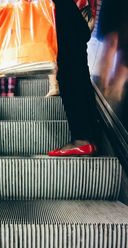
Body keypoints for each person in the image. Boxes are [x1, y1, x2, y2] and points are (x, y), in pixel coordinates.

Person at [48, 0, 98, 156]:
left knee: (68, 72)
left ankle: (81, 139)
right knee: (78, 68)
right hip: (74, 14)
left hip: (66, 13)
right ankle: (88, 137)